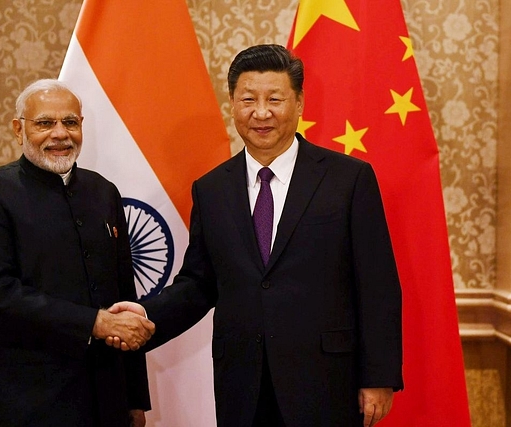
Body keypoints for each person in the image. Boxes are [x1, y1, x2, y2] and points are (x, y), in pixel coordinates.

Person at [110, 44, 403, 427]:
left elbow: (377, 284)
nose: (261, 113)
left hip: (326, 380)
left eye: (275, 99)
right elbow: (199, 283)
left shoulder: (348, 179)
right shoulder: (212, 189)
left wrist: (378, 377)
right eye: (248, 99)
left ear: (298, 103)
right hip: (242, 381)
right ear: (232, 104)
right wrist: (147, 314)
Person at [0, 79, 155, 427]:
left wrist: (134, 399)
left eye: (70, 122)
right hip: (23, 400)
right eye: (45, 123)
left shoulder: (103, 192)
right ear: (19, 130)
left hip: (103, 398)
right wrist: (93, 322)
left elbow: (123, 294)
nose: (60, 134)